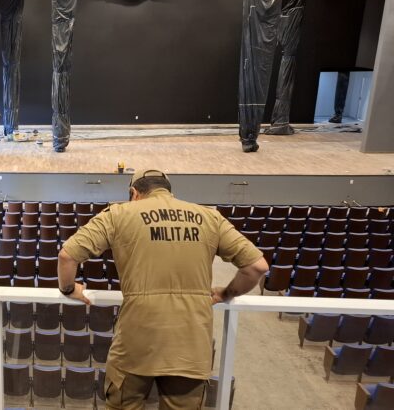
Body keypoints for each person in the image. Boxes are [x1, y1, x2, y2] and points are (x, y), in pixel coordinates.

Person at [58, 168, 267, 410]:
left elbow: (67, 256)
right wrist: (224, 293)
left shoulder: (117, 214)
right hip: (190, 344)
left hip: (136, 341)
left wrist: (68, 289)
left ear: (134, 193)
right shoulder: (208, 216)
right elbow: (256, 267)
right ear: (170, 192)